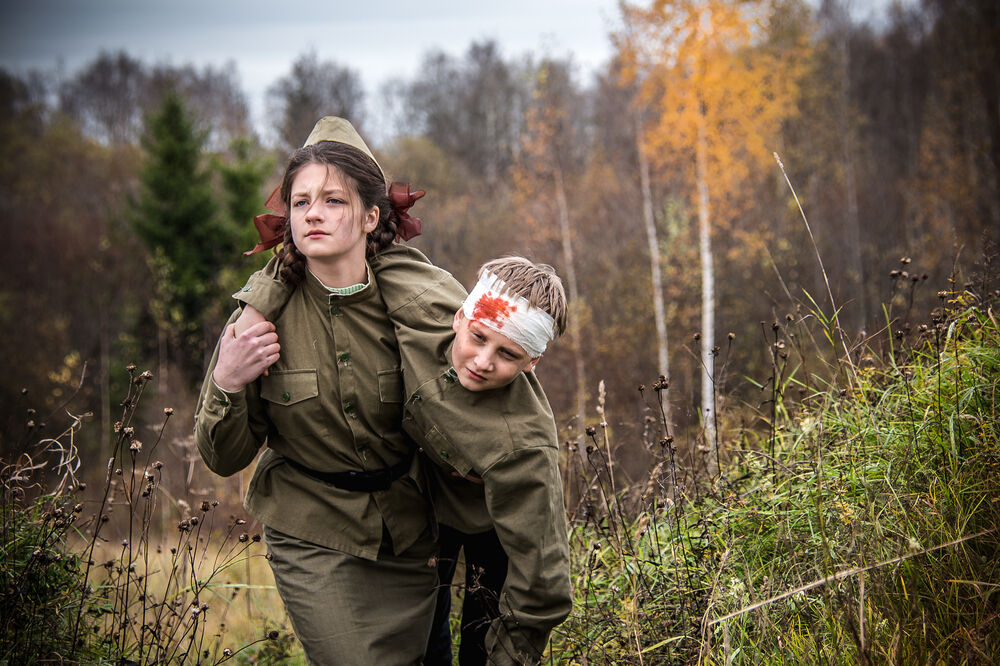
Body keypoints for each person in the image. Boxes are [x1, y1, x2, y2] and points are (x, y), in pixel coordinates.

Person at [235, 195, 573, 662]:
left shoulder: (523, 445)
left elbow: (546, 581)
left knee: (482, 640)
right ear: (459, 317)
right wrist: (261, 298)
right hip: (426, 515)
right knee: (424, 646)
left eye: (508, 355)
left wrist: (510, 654)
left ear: (532, 362)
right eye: (478, 337)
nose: (482, 360)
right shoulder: (421, 311)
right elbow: (364, 233)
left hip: (498, 533)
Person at [194, 117, 440, 665]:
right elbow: (221, 455)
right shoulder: (256, 322)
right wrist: (227, 380)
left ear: (370, 215)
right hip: (313, 532)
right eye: (301, 202)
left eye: (332, 200)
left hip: (408, 535)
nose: (314, 214)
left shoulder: (413, 306)